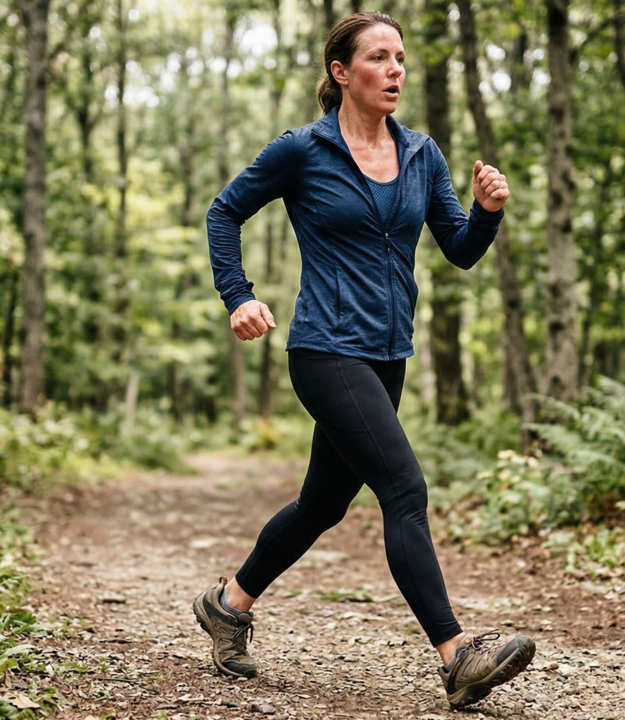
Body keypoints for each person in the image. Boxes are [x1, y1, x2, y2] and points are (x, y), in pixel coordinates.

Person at [192, 11, 535, 710]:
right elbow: (224, 212)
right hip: (324, 348)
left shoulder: (423, 155)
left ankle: (227, 605)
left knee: (323, 503)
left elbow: (460, 249)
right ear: (342, 72)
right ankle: (458, 653)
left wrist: (488, 211)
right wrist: (239, 296)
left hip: (388, 354)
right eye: (379, 58)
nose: (397, 70)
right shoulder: (302, 150)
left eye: (401, 58)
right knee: (404, 490)